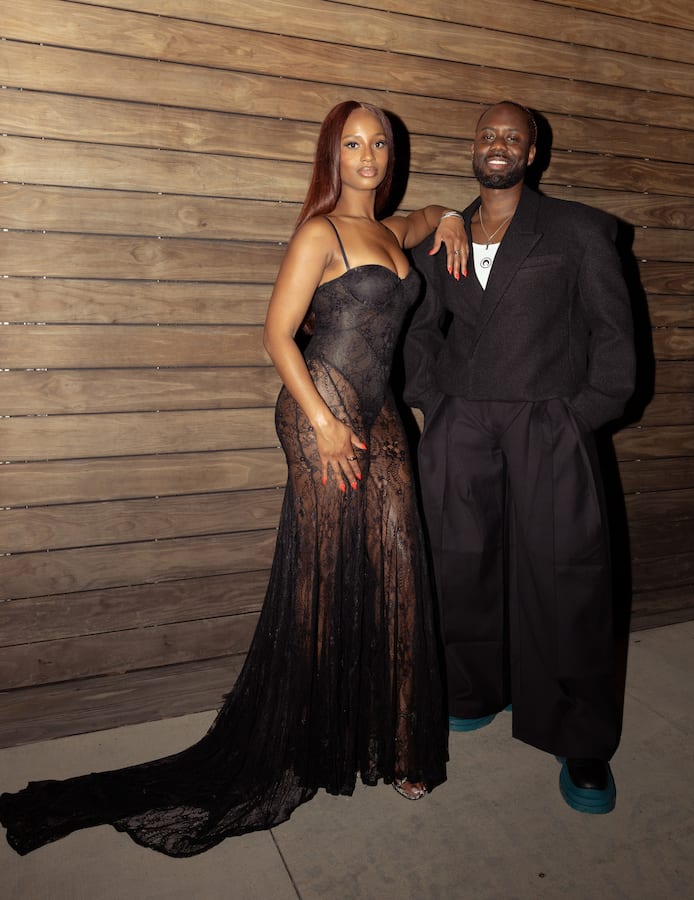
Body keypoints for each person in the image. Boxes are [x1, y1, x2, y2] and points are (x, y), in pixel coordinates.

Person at [0, 100, 468, 857]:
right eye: (353, 143)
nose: (369, 156)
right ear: (333, 154)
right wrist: (321, 422)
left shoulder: (392, 229)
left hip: (380, 415)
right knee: (323, 574)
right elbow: (276, 334)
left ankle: (398, 743)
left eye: (380, 142)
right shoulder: (320, 233)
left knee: (399, 567)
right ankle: (309, 741)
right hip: (320, 407)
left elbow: (430, 216)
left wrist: (448, 219)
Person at [403, 100, 636, 815]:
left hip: (547, 422)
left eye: (513, 137)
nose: (498, 144)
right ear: (473, 148)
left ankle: (579, 737)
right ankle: (472, 687)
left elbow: (614, 337)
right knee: (459, 564)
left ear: (532, 153)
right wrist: (434, 401)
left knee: (566, 577)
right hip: (462, 423)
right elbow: (419, 329)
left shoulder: (578, 229)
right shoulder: (446, 234)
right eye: (488, 134)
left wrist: (578, 416)